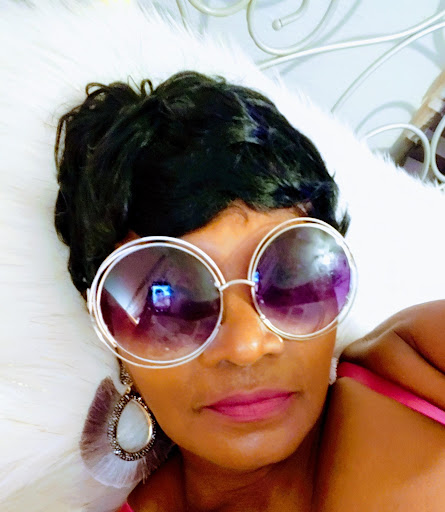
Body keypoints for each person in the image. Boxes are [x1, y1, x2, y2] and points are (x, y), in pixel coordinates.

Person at [54, 71, 445, 511]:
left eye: (289, 277)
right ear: (112, 335)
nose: (245, 346)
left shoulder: (421, 359)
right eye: (172, 303)